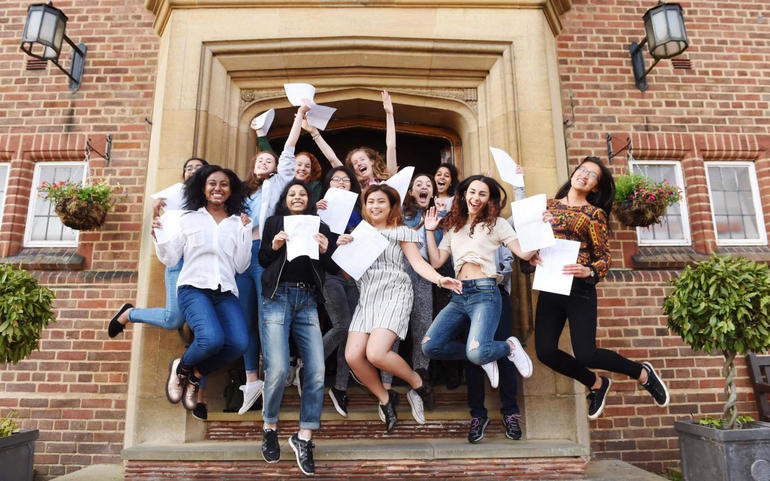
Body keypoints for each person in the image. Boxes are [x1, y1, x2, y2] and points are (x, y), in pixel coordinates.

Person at [531, 157, 670, 419]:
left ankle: (642, 373)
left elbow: (604, 257)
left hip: (579, 288)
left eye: (592, 175)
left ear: (595, 186)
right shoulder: (546, 206)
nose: (584, 175)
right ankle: (596, 384)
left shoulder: (594, 214)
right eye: (582, 169)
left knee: (586, 354)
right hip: (550, 285)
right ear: (574, 172)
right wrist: (532, 254)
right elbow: (530, 246)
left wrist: (589, 271)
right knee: (546, 352)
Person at [343, 185, 462, 432]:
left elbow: (418, 263)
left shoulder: (402, 232)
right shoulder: (358, 233)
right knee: (353, 356)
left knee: (376, 353)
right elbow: (347, 274)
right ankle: (386, 398)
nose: (375, 206)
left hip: (395, 291)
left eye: (381, 201)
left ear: (391, 206)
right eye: (370, 202)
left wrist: (440, 279)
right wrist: (343, 248)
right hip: (368, 295)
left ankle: (417, 381)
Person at [108, 156, 210, 419]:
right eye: (188, 168)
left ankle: (198, 394)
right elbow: (161, 237)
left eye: (198, 168)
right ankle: (130, 314)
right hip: (177, 264)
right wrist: (155, 214)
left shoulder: (213, 202)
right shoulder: (172, 201)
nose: (192, 171)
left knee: (205, 332)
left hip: (205, 268)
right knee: (173, 318)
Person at [154, 165, 251, 418]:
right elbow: (170, 257)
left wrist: (245, 234)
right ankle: (181, 368)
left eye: (224, 184)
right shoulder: (188, 218)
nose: (218, 188)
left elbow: (241, 266)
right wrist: (159, 234)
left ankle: (195, 375)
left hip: (225, 291)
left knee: (239, 343)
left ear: (231, 190)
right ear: (203, 188)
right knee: (211, 339)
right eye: (212, 183)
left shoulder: (237, 223)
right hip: (194, 288)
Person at [421, 175, 536, 390]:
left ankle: (509, 347)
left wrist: (540, 227)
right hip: (459, 295)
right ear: (464, 195)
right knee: (430, 347)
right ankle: (483, 353)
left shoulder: (497, 224)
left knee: (477, 353)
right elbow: (436, 261)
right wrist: (429, 230)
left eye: (482, 194)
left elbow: (524, 253)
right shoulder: (454, 228)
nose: (476, 197)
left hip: (485, 294)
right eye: (472, 192)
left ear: (489, 199)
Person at [258, 179, 338, 476]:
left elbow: (331, 268)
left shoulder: (320, 225)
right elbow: (262, 259)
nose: (297, 197)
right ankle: (269, 427)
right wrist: (275, 245)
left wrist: (327, 249)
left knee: (316, 370)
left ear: (309, 199)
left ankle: (304, 437)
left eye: (302, 193)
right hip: (277, 298)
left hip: (307, 300)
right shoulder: (274, 222)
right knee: (278, 369)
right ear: (285, 199)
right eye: (292, 193)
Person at [237, 102, 311, 415]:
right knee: (245, 319)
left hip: (265, 254)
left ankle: (270, 379)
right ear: (254, 166)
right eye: (261, 160)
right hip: (241, 256)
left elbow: (289, 149)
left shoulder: (279, 182)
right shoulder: (241, 192)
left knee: (266, 318)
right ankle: (251, 380)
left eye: (270, 160)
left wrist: (299, 117)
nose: (265, 162)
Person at [380, 174, 437, 400]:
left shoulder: (438, 216)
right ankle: (386, 386)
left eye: (428, 185)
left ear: (432, 193)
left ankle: (420, 382)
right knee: (391, 329)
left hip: (424, 272)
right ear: (410, 192)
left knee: (423, 326)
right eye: (418, 184)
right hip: (398, 271)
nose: (424, 187)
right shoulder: (400, 214)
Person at [315, 166, 363, 417]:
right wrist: (312, 211)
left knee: (351, 332)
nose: (341, 183)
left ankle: (340, 387)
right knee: (342, 325)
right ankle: (310, 366)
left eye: (346, 180)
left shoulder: (360, 211)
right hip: (330, 274)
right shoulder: (318, 209)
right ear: (328, 184)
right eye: (336, 179)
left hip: (354, 275)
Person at [301, 90, 397, 187]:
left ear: (372, 162)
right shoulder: (355, 187)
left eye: (362, 159)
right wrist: (314, 132)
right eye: (355, 163)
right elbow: (333, 159)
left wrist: (389, 114)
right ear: (354, 170)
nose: (359, 163)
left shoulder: (389, 179)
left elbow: (391, 146)